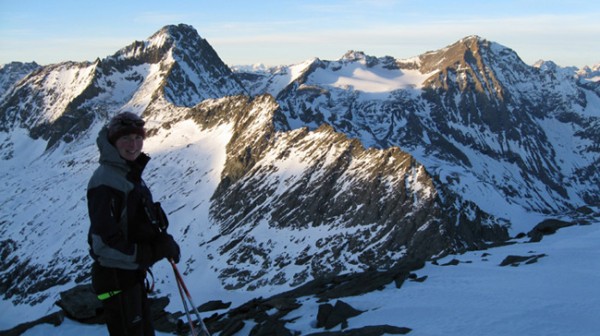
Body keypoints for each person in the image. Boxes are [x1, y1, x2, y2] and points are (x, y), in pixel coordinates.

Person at [87, 111, 180, 335]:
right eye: (125, 138)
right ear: (113, 142)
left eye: (138, 138)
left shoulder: (128, 173)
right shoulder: (106, 182)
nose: (133, 144)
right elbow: (104, 243)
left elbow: (135, 220)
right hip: (116, 280)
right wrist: (150, 252)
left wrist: (160, 240)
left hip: (130, 277)